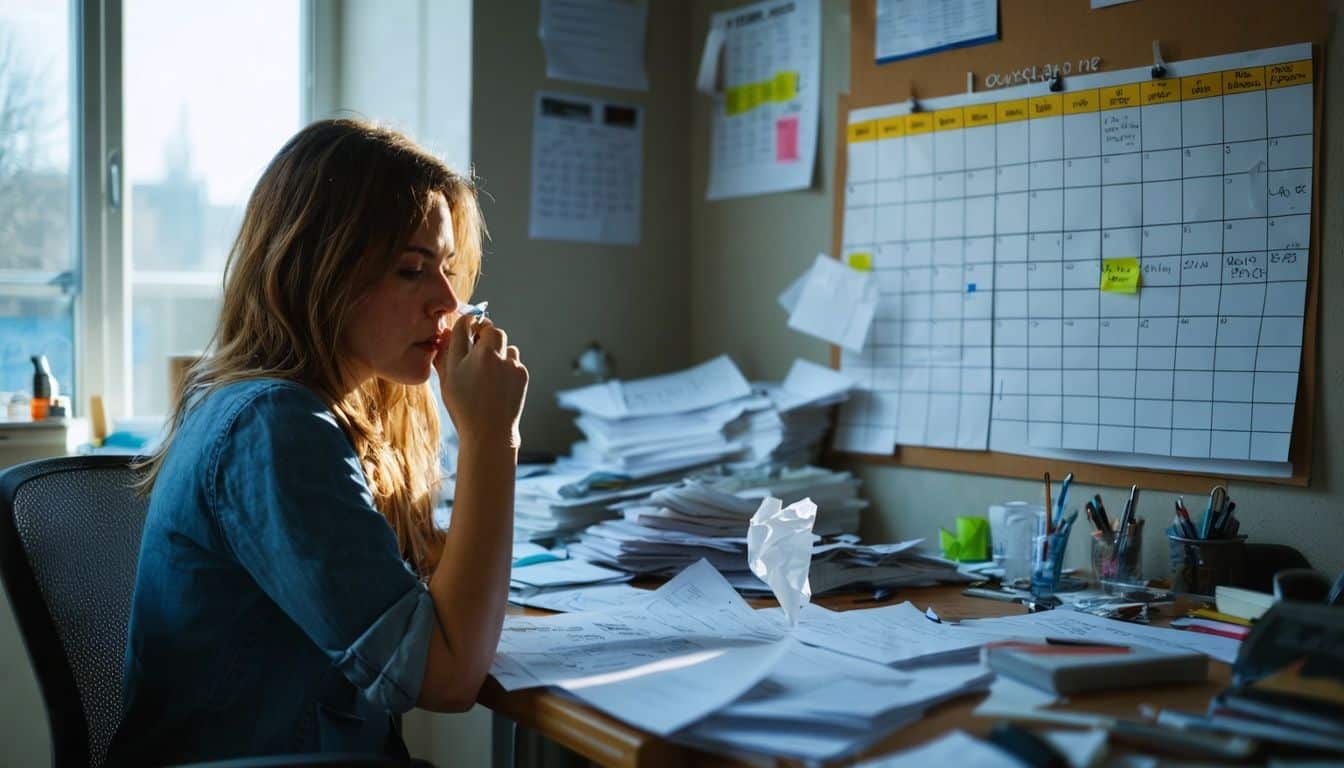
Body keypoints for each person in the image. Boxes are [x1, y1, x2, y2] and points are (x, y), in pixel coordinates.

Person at [107, 119, 528, 764]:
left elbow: (427, 599)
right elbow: (445, 678)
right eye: (412, 270)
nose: (447, 300)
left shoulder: (319, 411)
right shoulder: (272, 427)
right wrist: (492, 437)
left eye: (446, 268)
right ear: (319, 271)